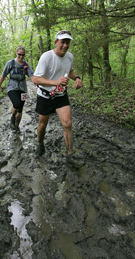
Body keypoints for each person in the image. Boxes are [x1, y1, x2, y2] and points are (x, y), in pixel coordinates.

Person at [32, 30, 84, 168]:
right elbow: (36, 79)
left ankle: (70, 155)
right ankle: (40, 144)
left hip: (61, 95)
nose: (65, 45)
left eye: (68, 42)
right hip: (45, 95)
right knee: (42, 125)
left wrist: (76, 78)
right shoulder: (46, 57)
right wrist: (55, 82)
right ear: (56, 42)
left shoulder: (69, 56)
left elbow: (70, 70)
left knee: (67, 123)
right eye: (62, 42)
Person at [0, 46, 34, 131]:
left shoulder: (26, 65)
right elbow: (3, 75)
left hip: (23, 88)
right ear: (16, 53)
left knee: (20, 111)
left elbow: (32, 76)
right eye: (19, 54)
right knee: (17, 104)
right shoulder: (10, 63)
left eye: (23, 55)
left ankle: (16, 127)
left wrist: (38, 85)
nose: (21, 57)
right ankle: (12, 118)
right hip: (12, 86)